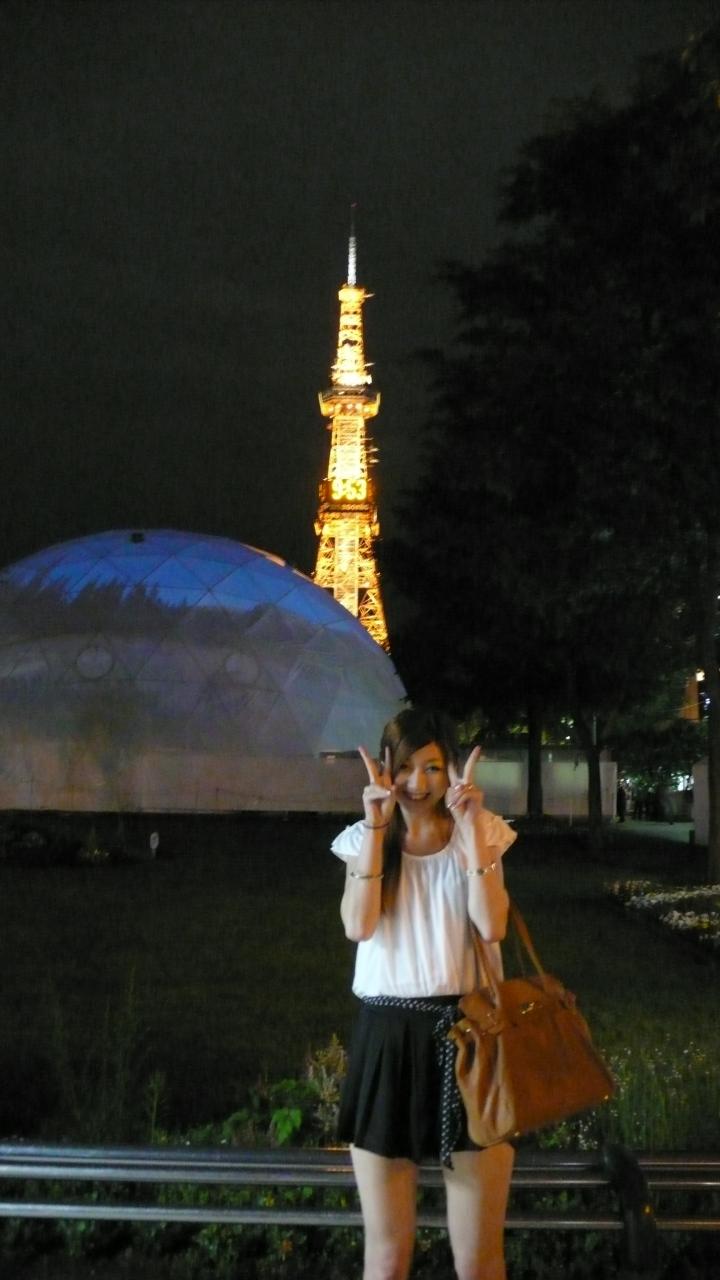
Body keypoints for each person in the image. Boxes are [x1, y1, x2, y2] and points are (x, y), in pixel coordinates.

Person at [331, 707, 517, 1280]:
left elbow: (492, 926)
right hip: (388, 1040)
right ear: (386, 770)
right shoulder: (364, 838)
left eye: (433, 767)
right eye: (406, 767)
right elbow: (358, 925)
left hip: (470, 1036)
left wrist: (472, 831)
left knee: (479, 1261)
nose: (418, 782)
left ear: (452, 768)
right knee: (386, 1258)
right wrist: (376, 827)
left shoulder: (480, 833)